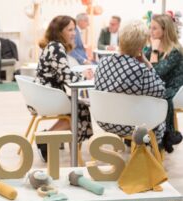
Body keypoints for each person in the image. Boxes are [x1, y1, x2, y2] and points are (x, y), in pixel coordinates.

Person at [95, 20, 166, 146]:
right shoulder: (139, 70)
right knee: (158, 115)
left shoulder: (102, 63)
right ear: (141, 46)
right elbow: (161, 90)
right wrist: (148, 64)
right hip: (132, 125)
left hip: (105, 121)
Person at [35, 15, 94, 162]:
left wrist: (80, 74)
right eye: (70, 30)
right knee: (79, 107)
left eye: (74, 29)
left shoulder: (53, 45)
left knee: (78, 106)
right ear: (59, 31)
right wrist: (85, 77)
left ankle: (48, 137)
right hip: (48, 97)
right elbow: (67, 78)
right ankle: (46, 139)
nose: (74, 33)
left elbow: (63, 72)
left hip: (44, 94)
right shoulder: (56, 47)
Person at [145, 14, 183, 153]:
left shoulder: (175, 51)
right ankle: (143, 132)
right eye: (150, 28)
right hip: (160, 85)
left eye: (154, 28)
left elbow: (156, 73)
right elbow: (144, 67)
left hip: (174, 88)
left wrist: (154, 52)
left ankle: (164, 136)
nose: (151, 32)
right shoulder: (153, 47)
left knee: (158, 96)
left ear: (165, 30)